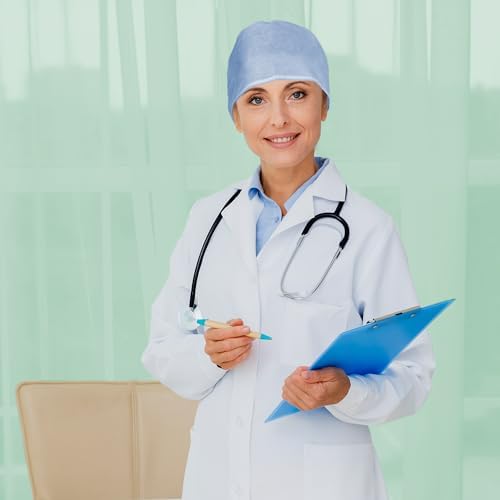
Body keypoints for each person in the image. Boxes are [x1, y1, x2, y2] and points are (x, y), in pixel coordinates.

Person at [141, 19, 435, 500]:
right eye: (256, 99)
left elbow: (413, 374)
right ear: (236, 117)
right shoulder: (208, 218)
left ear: (324, 105)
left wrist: (345, 391)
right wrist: (208, 356)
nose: (278, 118)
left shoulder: (368, 228)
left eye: (297, 94)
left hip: (324, 483)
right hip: (218, 477)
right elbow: (162, 346)